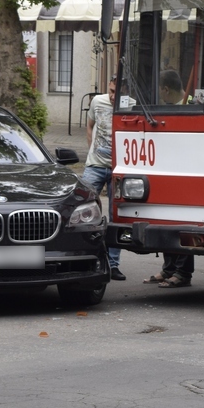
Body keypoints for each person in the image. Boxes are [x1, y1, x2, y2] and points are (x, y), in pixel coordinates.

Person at [145, 69, 195, 288]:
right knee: (166, 221)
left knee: (183, 224)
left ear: (166, 89)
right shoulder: (167, 106)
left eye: (160, 90)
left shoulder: (192, 106)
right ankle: (168, 269)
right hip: (166, 170)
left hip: (185, 172)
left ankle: (183, 272)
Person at [83, 79, 127, 280]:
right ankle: (84, 258)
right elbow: (89, 126)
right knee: (83, 209)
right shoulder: (97, 102)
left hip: (118, 168)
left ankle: (113, 264)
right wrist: (91, 150)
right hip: (95, 165)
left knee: (116, 215)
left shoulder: (131, 104)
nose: (112, 96)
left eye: (116, 93)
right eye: (110, 91)